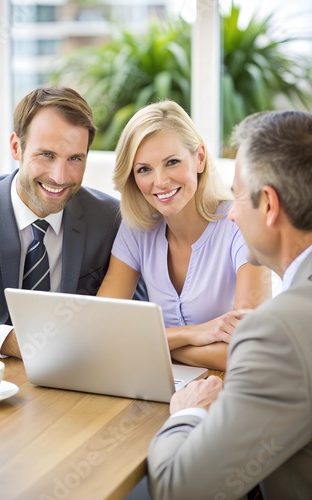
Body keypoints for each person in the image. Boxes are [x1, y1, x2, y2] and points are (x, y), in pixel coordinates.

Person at [147, 109, 312, 499]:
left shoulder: (280, 330)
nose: (232, 213)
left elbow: (178, 490)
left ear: (269, 206)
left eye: (238, 195)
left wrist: (188, 411)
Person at [97, 100, 271, 370]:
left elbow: (247, 352)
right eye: (144, 169)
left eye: (172, 162)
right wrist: (194, 334)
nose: (160, 181)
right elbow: (101, 330)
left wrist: (155, 346)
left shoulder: (239, 224)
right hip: (160, 386)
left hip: (231, 390)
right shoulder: (136, 229)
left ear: (199, 158)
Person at [0, 86, 142, 359]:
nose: (59, 176)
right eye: (47, 155)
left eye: (75, 158)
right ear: (16, 147)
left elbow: (131, 314)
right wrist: (9, 340)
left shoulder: (111, 221)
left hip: (73, 379)